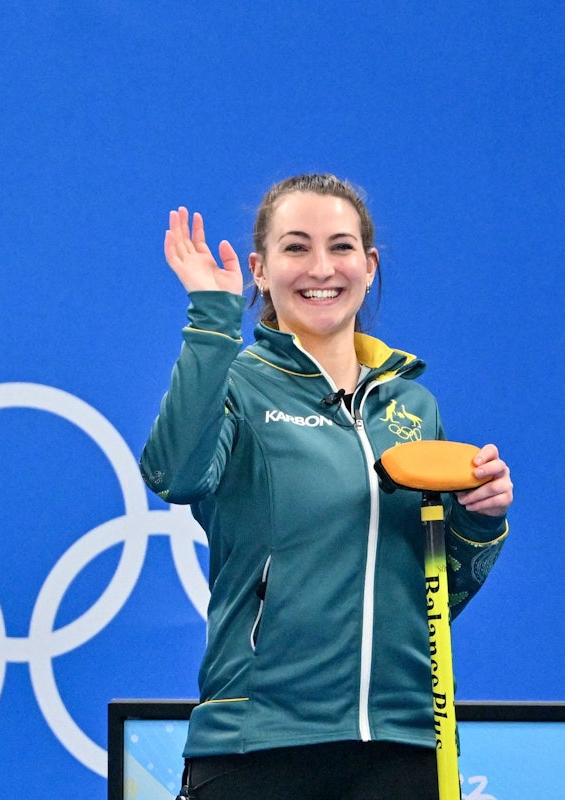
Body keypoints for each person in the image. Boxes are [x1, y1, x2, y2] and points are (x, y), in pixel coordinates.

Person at [140, 174, 513, 800]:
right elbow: (173, 475)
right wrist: (210, 318)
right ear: (259, 269)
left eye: (341, 247)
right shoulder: (236, 385)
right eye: (295, 247)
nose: (321, 268)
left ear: (368, 266)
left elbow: (435, 602)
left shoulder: (413, 406)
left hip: (407, 745)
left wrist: (480, 520)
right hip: (260, 746)